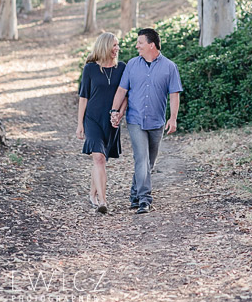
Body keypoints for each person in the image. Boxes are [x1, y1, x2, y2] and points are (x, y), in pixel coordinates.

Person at [110, 27, 182, 214]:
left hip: (156, 121)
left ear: (151, 45)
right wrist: (114, 111)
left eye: (140, 43)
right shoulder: (132, 65)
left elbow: (174, 95)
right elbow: (121, 91)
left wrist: (172, 119)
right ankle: (144, 199)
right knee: (141, 159)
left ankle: (134, 194)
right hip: (135, 119)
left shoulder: (169, 67)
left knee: (149, 162)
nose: (137, 46)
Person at [76, 32, 127, 214]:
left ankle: (92, 194)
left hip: (111, 121)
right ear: (104, 46)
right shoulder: (90, 69)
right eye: (114, 45)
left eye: (117, 45)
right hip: (92, 119)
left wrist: (120, 114)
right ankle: (103, 201)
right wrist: (80, 123)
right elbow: (84, 97)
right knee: (98, 158)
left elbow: (125, 95)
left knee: (101, 159)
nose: (117, 49)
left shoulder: (122, 68)